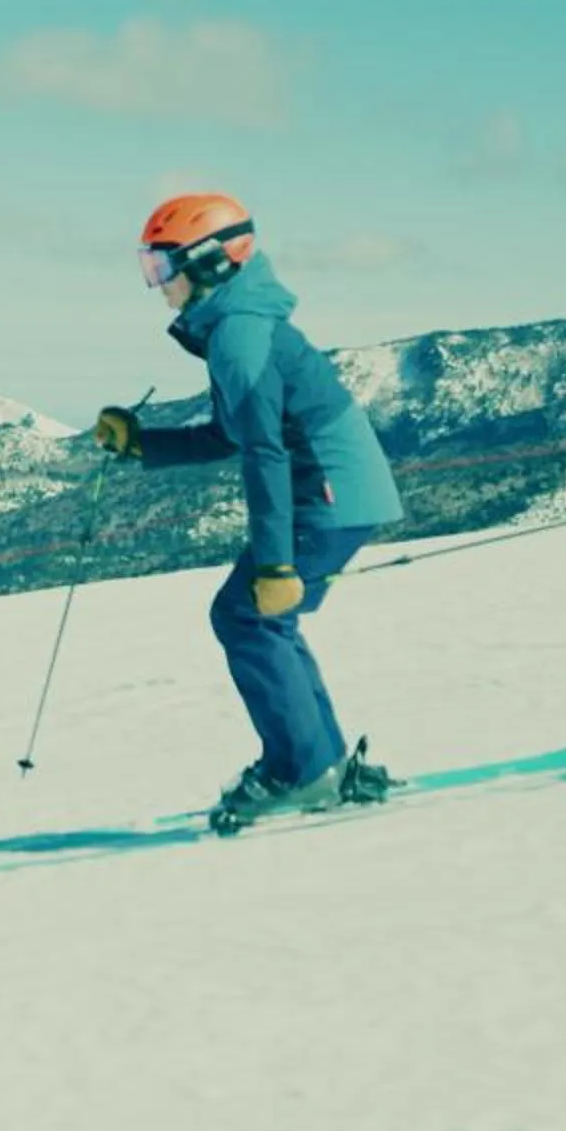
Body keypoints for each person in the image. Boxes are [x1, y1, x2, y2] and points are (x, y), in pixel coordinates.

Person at [91, 193, 407, 830]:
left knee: (249, 618)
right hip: (333, 487)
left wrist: (276, 563)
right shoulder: (235, 326)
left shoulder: (239, 336)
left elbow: (263, 452)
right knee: (263, 622)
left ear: (209, 262)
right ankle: (319, 762)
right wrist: (142, 444)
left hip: (326, 490)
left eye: (162, 267)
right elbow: (230, 434)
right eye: (149, 268)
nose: (156, 284)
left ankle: (304, 771)